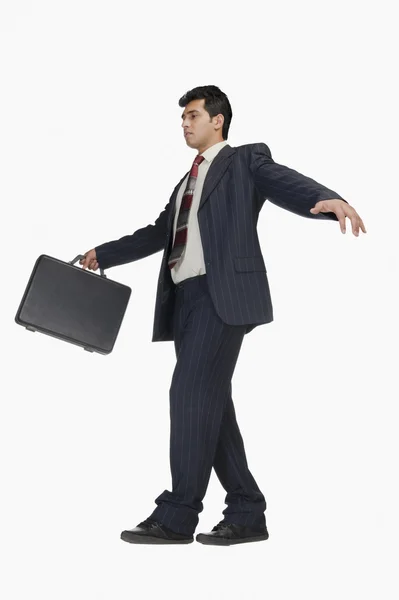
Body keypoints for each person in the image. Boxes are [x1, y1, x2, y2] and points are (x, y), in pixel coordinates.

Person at [80, 85, 366, 546]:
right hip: (186, 300)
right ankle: (247, 511)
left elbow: (284, 181)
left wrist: (327, 199)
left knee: (189, 394)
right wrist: (103, 253)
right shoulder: (185, 181)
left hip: (222, 296)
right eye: (182, 118)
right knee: (210, 405)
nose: (185, 124)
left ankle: (177, 515)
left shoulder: (245, 160)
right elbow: (158, 232)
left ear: (218, 120)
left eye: (193, 115)